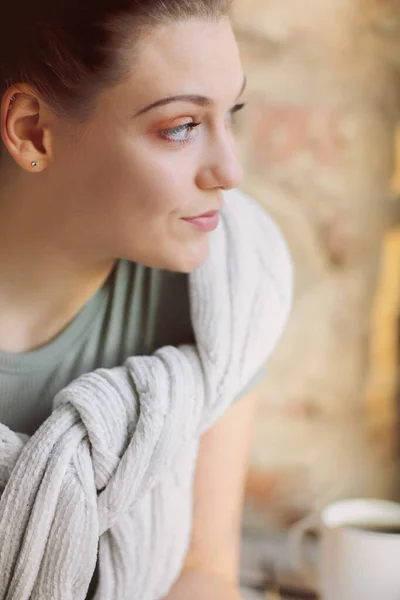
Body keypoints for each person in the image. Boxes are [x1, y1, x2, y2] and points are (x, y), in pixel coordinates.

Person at [0, 1, 293, 599]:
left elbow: (205, 568)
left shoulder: (230, 284)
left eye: (231, 112)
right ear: (32, 130)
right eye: (181, 127)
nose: (230, 170)